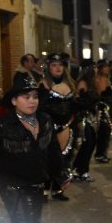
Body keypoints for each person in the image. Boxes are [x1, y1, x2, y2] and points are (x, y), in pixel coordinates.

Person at [0, 77, 70, 223]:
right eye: (26, 97)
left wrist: (60, 174)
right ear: (14, 101)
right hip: (13, 185)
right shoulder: (2, 126)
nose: (32, 101)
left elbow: (53, 150)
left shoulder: (45, 120)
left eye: (35, 96)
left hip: (37, 181)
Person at [38, 53, 75, 201]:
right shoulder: (43, 84)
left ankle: (58, 189)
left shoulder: (70, 83)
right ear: (49, 67)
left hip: (67, 125)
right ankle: (46, 190)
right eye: (54, 65)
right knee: (50, 158)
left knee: (64, 157)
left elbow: (73, 106)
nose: (58, 68)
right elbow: (38, 107)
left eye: (60, 65)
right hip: (49, 127)